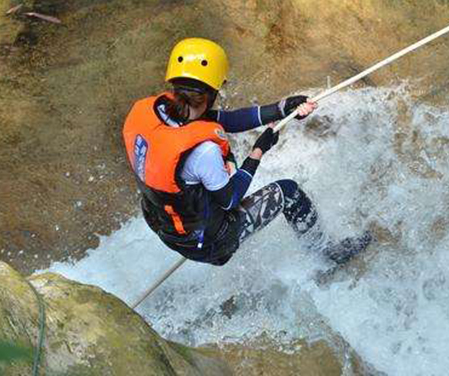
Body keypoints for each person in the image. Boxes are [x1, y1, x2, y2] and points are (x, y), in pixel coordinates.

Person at [122, 38, 372, 266]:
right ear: (211, 94)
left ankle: (199, 234)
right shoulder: (204, 152)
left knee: (217, 170)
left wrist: (283, 108)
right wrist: (258, 151)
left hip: (167, 228)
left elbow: (228, 120)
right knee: (289, 192)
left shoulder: (156, 110)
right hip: (212, 243)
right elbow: (230, 200)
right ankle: (328, 254)